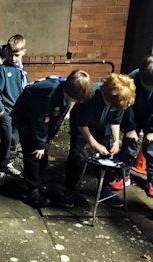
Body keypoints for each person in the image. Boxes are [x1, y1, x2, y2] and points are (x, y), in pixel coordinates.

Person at [11, 70, 94, 208]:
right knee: (33, 154)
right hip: (27, 119)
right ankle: (31, 191)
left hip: (39, 122)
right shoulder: (49, 94)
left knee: (42, 154)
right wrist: (39, 144)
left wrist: (46, 141)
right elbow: (40, 122)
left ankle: (39, 181)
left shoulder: (64, 93)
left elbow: (54, 119)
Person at [62, 73, 136, 208]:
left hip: (103, 126)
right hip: (82, 126)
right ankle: (70, 189)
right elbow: (81, 123)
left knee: (107, 156)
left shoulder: (120, 99)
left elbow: (115, 120)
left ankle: (104, 188)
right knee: (76, 155)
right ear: (107, 96)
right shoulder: (90, 95)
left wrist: (115, 140)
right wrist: (93, 143)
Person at [110, 55, 153, 197]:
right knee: (129, 146)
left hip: (151, 117)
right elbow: (127, 106)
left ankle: (151, 180)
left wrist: (152, 131)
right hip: (134, 113)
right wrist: (130, 128)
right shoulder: (132, 79)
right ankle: (124, 175)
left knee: (151, 149)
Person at [0, 34, 28, 186]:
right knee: (7, 139)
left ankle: (8, 163)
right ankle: (1, 169)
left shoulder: (22, 71)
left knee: (15, 139)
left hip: (21, 112)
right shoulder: (1, 71)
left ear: (23, 52)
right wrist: (0, 110)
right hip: (7, 111)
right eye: (11, 55)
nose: (13, 58)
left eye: (17, 55)